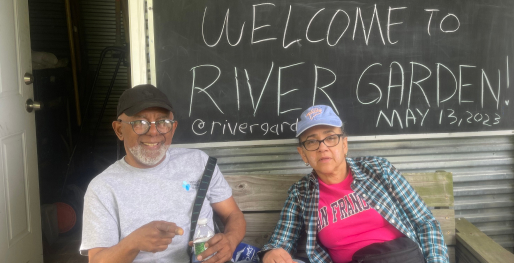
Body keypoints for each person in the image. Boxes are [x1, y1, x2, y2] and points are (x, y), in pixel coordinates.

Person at [259, 105, 450, 263]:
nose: (323, 147)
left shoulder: (378, 170)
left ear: (344, 144)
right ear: (303, 154)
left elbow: (424, 222)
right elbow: (281, 240)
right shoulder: (301, 194)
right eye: (311, 142)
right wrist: (272, 252)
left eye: (331, 137)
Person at [80, 84, 246, 263]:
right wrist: (133, 243)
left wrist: (230, 240)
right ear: (119, 130)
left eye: (162, 123)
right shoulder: (103, 188)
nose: (153, 132)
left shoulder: (199, 163)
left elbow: (233, 215)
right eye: (140, 123)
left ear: (173, 128)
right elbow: (97, 260)